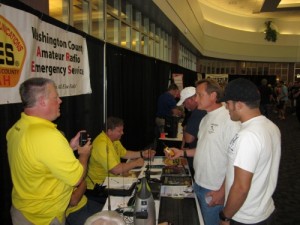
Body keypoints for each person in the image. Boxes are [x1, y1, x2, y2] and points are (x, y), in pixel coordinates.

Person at [6, 77, 92, 225]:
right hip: (43, 217)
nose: (60, 101)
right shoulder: (48, 136)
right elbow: (77, 178)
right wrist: (84, 154)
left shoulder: (17, 127)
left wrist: (68, 148)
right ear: (42, 101)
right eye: (55, 97)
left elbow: (37, 159)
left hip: (23, 211)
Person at [165, 79, 240, 225]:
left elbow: (236, 162)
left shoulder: (229, 120)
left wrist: (222, 191)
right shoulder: (205, 118)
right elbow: (204, 149)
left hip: (214, 188)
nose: (196, 98)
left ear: (213, 96)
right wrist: (182, 153)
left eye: (199, 95)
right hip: (198, 183)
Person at [218, 78, 281, 225]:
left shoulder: (248, 136)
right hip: (262, 211)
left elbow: (241, 187)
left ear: (239, 105)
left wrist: (225, 217)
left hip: (245, 216)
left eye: (228, 103)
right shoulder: (271, 126)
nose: (226, 107)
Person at [85, 116, 156, 201]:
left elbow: (124, 153)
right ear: (109, 131)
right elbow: (115, 169)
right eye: (119, 131)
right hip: (99, 188)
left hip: (111, 181)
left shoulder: (114, 140)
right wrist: (135, 163)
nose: (122, 133)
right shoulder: (102, 144)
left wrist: (142, 154)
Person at [176, 86, 206, 176]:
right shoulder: (200, 111)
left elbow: (188, 138)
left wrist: (186, 129)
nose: (184, 105)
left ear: (191, 99)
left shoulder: (197, 112)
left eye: (184, 102)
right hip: (198, 152)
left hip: (197, 154)